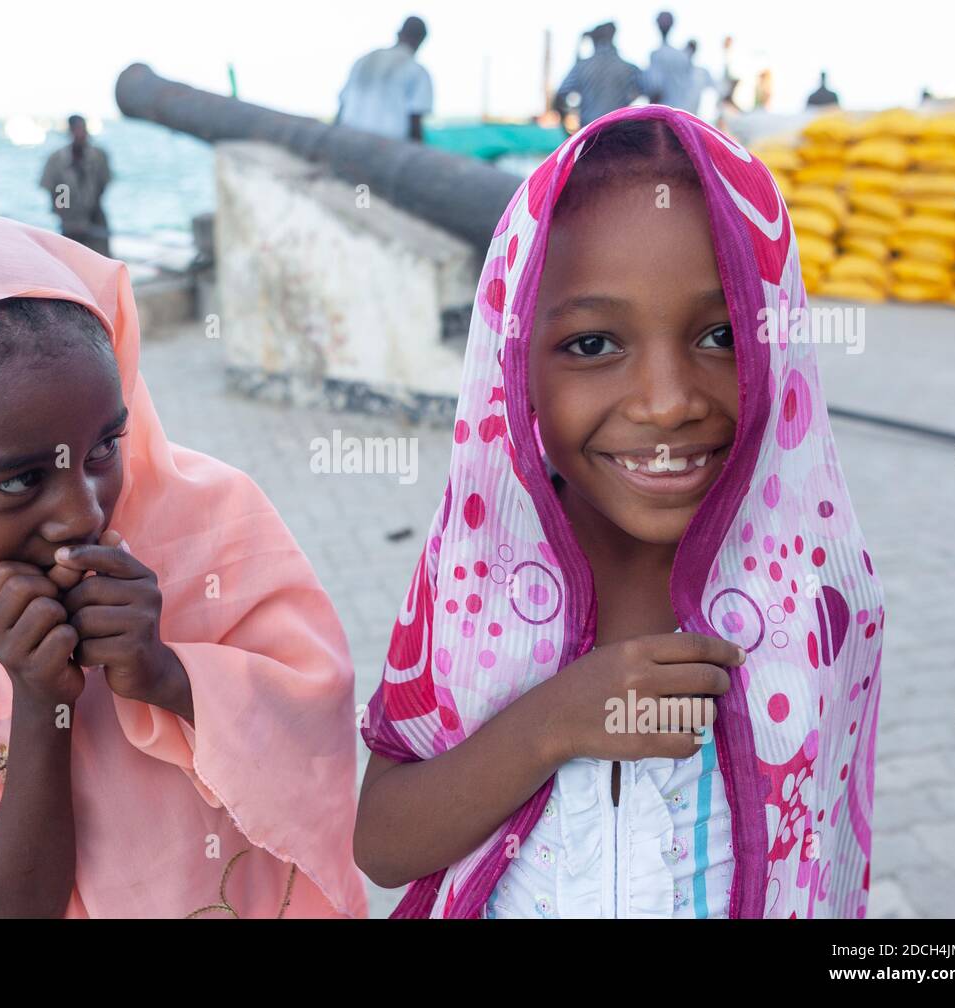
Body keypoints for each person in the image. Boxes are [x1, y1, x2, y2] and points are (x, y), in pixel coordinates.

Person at [353, 109, 885, 918]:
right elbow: (384, 844)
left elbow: (826, 865)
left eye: (720, 334)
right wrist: (554, 723)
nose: (668, 404)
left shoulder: (811, 597)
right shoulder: (475, 571)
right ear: (514, 363)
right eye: (594, 345)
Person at [0, 208, 368, 919]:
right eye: (20, 480)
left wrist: (169, 677)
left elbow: (321, 723)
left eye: (105, 448)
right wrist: (39, 703)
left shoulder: (214, 522)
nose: (83, 512)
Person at [336, 16, 433, 142]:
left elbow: (342, 107)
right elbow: (415, 122)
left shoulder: (364, 60)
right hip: (387, 147)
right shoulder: (417, 70)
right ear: (421, 40)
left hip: (348, 141)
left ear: (398, 34)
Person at [40, 115, 113, 256]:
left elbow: (103, 185)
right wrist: (67, 216)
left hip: (95, 218)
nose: (81, 134)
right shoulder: (58, 159)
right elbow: (56, 189)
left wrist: (91, 211)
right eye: (77, 129)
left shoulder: (98, 156)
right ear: (70, 131)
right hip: (70, 222)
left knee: (100, 259)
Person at [553, 22, 643, 130]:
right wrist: (628, 101)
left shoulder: (582, 67)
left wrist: (566, 127)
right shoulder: (629, 68)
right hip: (619, 130)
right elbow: (648, 90)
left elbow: (561, 94)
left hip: (589, 130)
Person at [645, 11, 694, 109]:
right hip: (683, 112)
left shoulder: (656, 55)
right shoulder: (683, 57)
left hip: (664, 115)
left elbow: (656, 90)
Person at [683, 40, 719, 119]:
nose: (690, 52)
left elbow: (718, 88)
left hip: (692, 117)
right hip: (673, 118)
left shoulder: (701, 73)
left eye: (692, 48)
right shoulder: (674, 72)